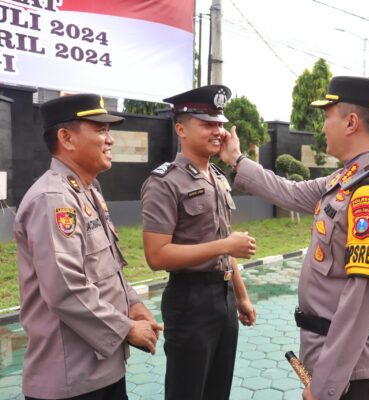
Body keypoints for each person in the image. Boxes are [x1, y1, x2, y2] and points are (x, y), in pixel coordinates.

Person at [221, 76, 369, 400]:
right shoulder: (352, 176)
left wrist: (325, 386)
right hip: (340, 362)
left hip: (351, 372)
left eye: (327, 117)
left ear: (351, 122)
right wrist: (237, 160)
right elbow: (291, 192)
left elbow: (361, 303)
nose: (322, 127)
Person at [13, 94, 161, 400]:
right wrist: (126, 328)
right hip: (70, 380)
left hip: (101, 370)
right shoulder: (53, 199)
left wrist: (133, 303)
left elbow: (107, 266)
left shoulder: (87, 191)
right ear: (66, 138)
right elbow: (66, 289)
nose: (110, 140)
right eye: (100, 130)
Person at [140, 86, 257, 400]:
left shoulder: (218, 177)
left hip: (225, 296)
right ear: (181, 128)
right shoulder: (164, 182)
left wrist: (241, 297)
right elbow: (156, 255)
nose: (218, 131)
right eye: (207, 124)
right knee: (187, 391)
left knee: (218, 390)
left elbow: (225, 242)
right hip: (190, 301)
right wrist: (225, 247)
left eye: (219, 124)